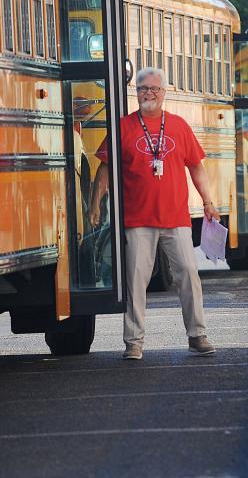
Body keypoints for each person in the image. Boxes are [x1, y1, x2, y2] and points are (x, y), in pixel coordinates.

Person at [89, 67, 219, 360]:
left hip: (176, 218)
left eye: (153, 89)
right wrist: (95, 202)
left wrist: (208, 202)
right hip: (137, 219)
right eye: (142, 89)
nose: (148, 94)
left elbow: (196, 166)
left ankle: (197, 334)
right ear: (135, 93)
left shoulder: (179, 126)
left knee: (188, 273)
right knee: (136, 280)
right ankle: (133, 342)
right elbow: (105, 167)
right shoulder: (123, 127)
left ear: (164, 93)